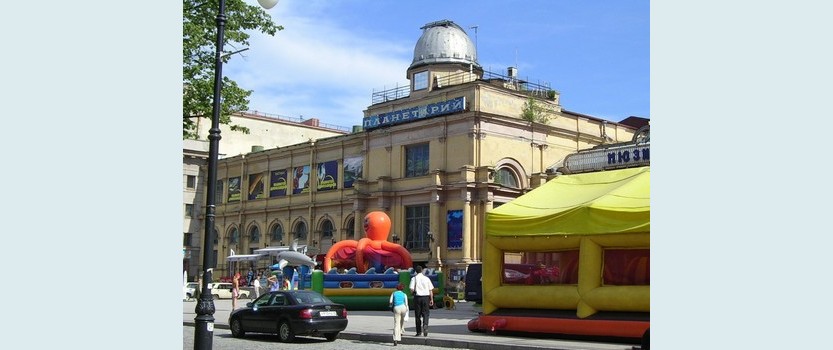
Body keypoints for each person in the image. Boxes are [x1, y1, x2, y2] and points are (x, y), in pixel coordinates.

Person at [409, 265, 434, 337]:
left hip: (417, 298)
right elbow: (430, 290)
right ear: (422, 270)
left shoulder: (414, 278)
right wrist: (431, 299)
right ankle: (425, 325)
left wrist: (413, 292)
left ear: (415, 271)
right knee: (426, 313)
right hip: (426, 298)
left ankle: (418, 332)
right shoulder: (427, 279)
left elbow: (411, 289)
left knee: (417, 315)